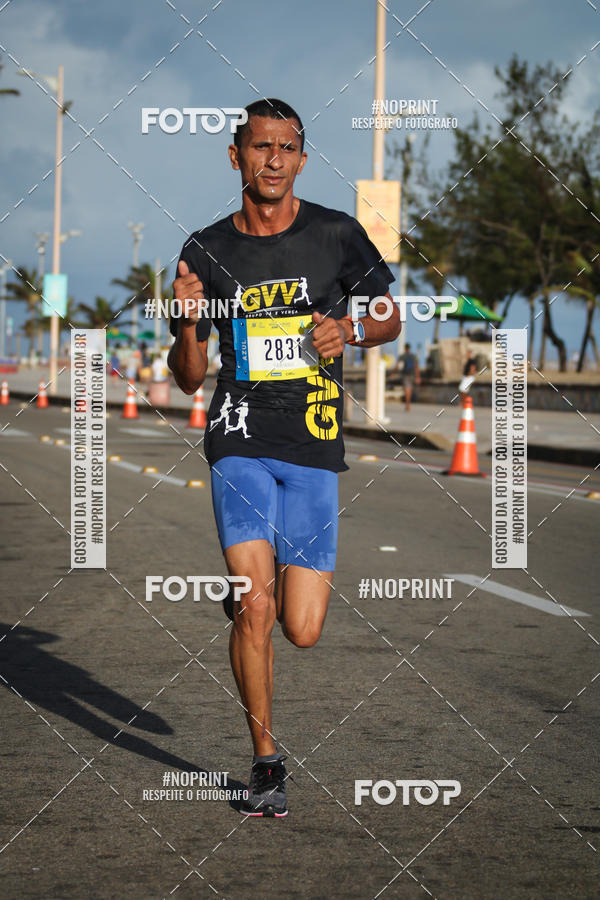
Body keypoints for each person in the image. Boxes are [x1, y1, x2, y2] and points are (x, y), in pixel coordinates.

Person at [167, 98, 400, 818]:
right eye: (260, 146)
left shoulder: (336, 234)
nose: (274, 158)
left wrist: (351, 334)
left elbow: (390, 315)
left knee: (301, 629)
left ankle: (249, 598)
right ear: (234, 156)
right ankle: (267, 762)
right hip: (238, 437)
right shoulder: (204, 250)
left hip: (313, 447)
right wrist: (184, 321)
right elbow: (188, 377)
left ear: (302, 157)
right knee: (257, 606)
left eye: (287, 147)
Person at [396, 342, 420, 411]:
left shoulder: (403, 356)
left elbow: (397, 366)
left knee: (407, 389)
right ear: (409, 348)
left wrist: (393, 373)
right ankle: (408, 404)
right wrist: (418, 377)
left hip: (405, 375)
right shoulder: (413, 356)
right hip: (412, 375)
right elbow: (416, 367)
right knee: (409, 389)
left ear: (405, 348)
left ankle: (407, 405)